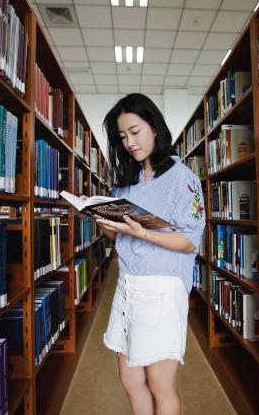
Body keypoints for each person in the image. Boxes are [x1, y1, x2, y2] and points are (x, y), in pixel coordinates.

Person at [98, 93, 205, 415]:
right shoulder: (126, 181)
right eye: (122, 136)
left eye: (135, 131)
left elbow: (190, 241)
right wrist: (107, 224)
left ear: (154, 128)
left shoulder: (182, 179)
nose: (129, 142)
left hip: (160, 288)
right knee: (130, 378)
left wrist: (143, 232)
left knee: (162, 385)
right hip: (128, 284)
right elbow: (120, 232)